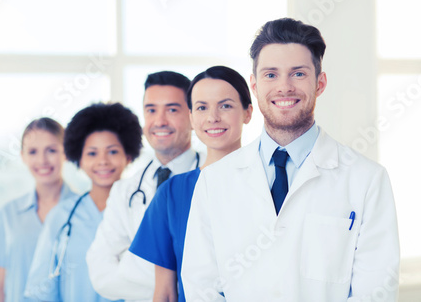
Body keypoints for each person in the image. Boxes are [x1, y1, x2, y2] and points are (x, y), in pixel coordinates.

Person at [181, 18, 400, 301]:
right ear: (255, 85)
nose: (284, 87)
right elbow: (201, 286)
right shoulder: (214, 181)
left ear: (320, 83)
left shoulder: (366, 179)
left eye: (298, 74)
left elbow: (375, 293)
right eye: (271, 75)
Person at [129, 66, 253, 302]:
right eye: (202, 107)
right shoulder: (173, 194)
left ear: (248, 113)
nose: (213, 117)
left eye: (225, 105)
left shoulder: (270, 182)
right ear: (192, 118)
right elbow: (165, 292)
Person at [86, 71, 203, 301]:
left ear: (191, 116)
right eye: (151, 110)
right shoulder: (124, 191)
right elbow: (100, 271)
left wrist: (133, 262)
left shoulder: (212, 177)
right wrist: (177, 277)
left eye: (172, 109)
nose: (159, 121)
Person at [24, 103, 142, 302]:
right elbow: (39, 292)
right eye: (92, 153)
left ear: (128, 156)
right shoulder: (61, 216)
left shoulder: (143, 213)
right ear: (79, 158)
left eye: (112, 151)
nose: (102, 161)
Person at [0, 118, 78, 302]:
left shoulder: (83, 211)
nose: (42, 160)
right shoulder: (8, 214)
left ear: (65, 152)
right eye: (33, 151)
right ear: (23, 156)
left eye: (51, 150)